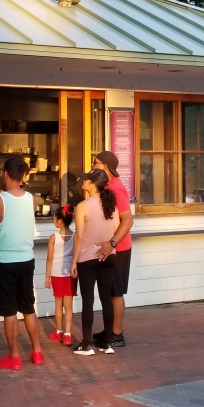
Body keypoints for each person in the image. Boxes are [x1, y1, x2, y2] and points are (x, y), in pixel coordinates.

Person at [0, 157, 43, 369]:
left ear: (5, 173)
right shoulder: (31, 198)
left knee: (9, 311)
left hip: (4, 261)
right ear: (23, 176)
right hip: (26, 259)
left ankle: (14, 357)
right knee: (28, 307)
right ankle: (37, 352)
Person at [71, 169, 119, 356]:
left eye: (86, 180)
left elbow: (79, 237)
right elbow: (115, 230)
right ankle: (107, 343)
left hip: (88, 258)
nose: (83, 182)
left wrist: (74, 261)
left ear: (92, 184)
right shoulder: (110, 204)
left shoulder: (83, 206)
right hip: (108, 256)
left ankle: (86, 343)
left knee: (88, 301)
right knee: (106, 299)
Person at [91, 151, 133, 348]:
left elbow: (128, 220)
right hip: (110, 248)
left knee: (116, 291)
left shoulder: (116, 188)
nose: (93, 165)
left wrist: (112, 243)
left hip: (119, 248)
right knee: (108, 291)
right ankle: (110, 330)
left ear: (106, 166)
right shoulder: (107, 186)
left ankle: (117, 334)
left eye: (96, 162)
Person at [44, 204, 77, 347]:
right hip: (70, 272)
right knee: (68, 305)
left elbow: (49, 258)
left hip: (56, 273)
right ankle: (68, 336)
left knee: (58, 304)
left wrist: (47, 277)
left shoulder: (53, 237)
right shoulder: (76, 236)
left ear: (59, 221)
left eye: (54, 218)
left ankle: (59, 332)